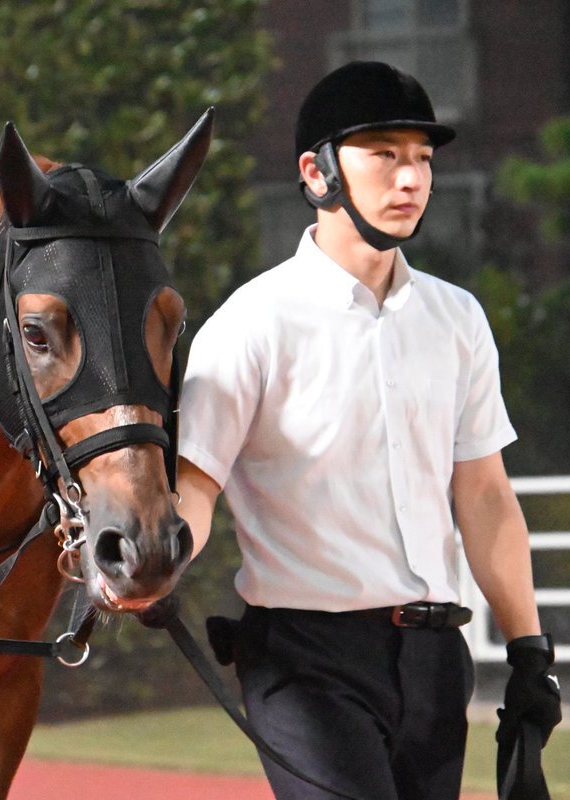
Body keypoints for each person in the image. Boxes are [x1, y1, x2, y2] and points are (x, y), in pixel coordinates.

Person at [174, 61, 562, 799]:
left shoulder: (458, 321)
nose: (410, 177)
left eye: (421, 157)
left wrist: (528, 649)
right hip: (304, 661)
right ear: (316, 172)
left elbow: (483, 496)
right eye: (384, 153)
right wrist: (151, 564)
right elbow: (195, 489)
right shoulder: (249, 326)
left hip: (433, 659)